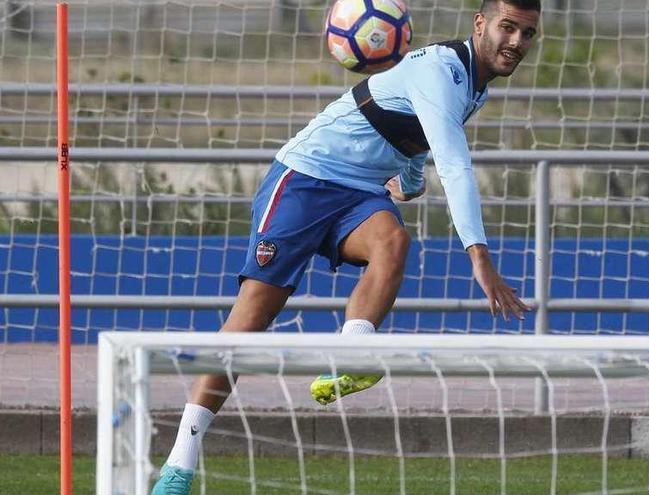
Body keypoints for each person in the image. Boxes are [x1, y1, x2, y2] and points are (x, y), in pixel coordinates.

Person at [151, 0, 540, 492]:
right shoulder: (441, 67)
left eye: (527, 33)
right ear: (480, 24)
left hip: (359, 192)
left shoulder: (472, 84)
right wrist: (478, 256)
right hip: (303, 181)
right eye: (508, 28)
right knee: (248, 323)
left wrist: (412, 179)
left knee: (393, 240)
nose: (517, 43)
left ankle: (352, 354)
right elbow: (455, 162)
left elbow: (414, 133)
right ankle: (178, 468)